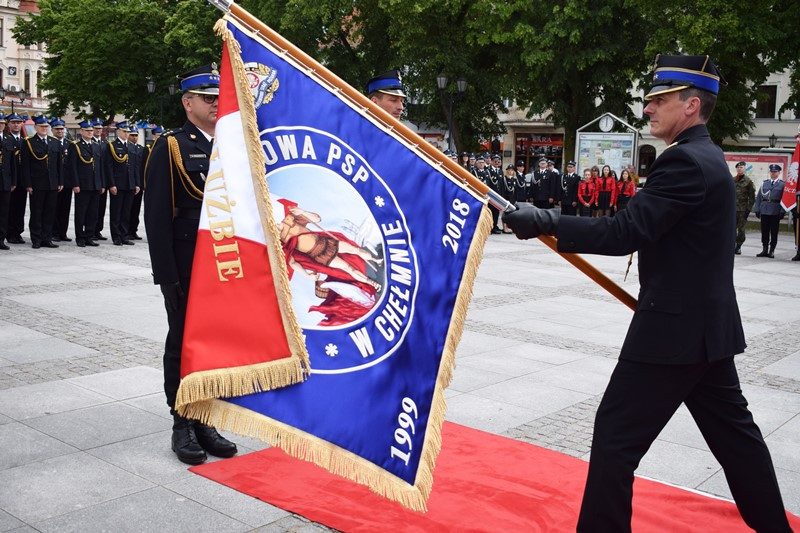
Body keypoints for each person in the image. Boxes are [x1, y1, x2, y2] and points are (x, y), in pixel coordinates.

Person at [503, 54, 792, 532]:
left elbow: (623, 233)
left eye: (659, 100)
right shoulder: (707, 156)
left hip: (672, 334)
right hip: (704, 328)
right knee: (738, 443)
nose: (647, 110)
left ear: (692, 105)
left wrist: (544, 221)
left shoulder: (683, 161)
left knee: (615, 440)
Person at [144, 63, 237, 465]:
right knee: (183, 342)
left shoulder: (234, 145)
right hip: (185, 263)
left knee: (217, 342)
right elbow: (157, 215)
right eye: (207, 98)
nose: (216, 104)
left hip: (226, 263)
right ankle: (182, 420)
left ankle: (206, 417)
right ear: (187, 103)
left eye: (219, 97)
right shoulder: (172, 146)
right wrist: (166, 276)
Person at [20, 116, 62, 249]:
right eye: (41, 126)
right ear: (35, 127)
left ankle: (47, 238)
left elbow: (58, 164)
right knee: (37, 212)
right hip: (37, 183)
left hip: (52, 183)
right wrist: (28, 184)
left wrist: (60, 181)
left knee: (50, 212)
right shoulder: (29, 142)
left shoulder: (54, 142)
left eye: (46, 127)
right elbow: (25, 165)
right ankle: (36, 238)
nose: (44, 129)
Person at [67, 120, 103, 247]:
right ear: (81, 131)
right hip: (82, 184)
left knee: (93, 213)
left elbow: (100, 166)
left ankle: (89, 235)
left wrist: (101, 184)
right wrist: (75, 184)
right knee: (81, 212)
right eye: (87, 130)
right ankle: (80, 237)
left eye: (91, 130)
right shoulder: (75, 145)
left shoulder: (96, 145)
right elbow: (72, 167)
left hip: (95, 184)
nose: (90, 132)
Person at [104, 122, 138, 246]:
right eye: (124, 131)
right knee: (116, 211)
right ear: (118, 131)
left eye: (128, 132)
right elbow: (109, 166)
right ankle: (116, 236)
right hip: (118, 183)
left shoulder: (131, 146)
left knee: (126, 211)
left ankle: (124, 235)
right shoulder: (112, 146)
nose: (126, 134)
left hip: (129, 184)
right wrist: (112, 184)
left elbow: (135, 167)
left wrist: (136, 183)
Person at [753, 164, 786, 259]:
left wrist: (782, 211)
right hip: (764, 210)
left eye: (775, 172)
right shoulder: (765, 183)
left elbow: (784, 199)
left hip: (775, 210)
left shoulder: (782, 184)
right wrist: (757, 209)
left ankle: (772, 250)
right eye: (772, 172)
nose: (773, 174)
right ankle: (764, 249)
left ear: (779, 173)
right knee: (764, 231)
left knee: (774, 232)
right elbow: (759, 197)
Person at [5, 114, 26, 244]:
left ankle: (18, 232)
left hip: (22, 179)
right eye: (13, 122)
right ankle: (10, 232)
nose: (16, 125)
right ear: (9, 124)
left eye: (18, 122)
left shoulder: (25, 141)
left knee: (21, 207)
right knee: (10, 207)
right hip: (10, 179)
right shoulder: (7, 140)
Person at [50, 119, 72, 242]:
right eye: (57, 129)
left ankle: (63, 232)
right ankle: (54, 232)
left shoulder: (70, 144)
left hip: (67, 182)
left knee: (65, 209)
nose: (60, 131)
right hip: (55, 181)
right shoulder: (51, 142)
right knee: (54, 208)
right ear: (52, 130)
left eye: (61, 129)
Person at [731, 161, 755, 255]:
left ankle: (739, 246)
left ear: (744, 168)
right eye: (738, 167)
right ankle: (731, 245)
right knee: (732, 228)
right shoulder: (732, 180)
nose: (739, 169)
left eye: (741, 167)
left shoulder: (748, 181)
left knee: (741, 229)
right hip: (732, 209)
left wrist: (748, 210)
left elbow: (752, 197)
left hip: (742, 210)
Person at [127, 126, 146, 240]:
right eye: (132, 135)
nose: (134, 137)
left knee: (136, 209)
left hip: (139, 183)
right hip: (130, 182)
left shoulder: (141, 149)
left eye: (136, 135)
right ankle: (127, 230)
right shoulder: (126, 148)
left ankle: (133, 230)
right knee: (128, 208)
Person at [92, 119, 109, 241]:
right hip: (92, 180)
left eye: (100, 128)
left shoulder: (105, 143)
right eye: (96, 128)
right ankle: (90, 230)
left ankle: (98, 230)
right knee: (92, 207)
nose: (98, 130)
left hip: (103, 180)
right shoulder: (89, 142)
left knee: (101, 207)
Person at [0, 113, 10, 250]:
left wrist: (13, 181)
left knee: (3, 212)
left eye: (2, 122)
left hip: (5, 181)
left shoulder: (8, 140)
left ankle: (1, 239)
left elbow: (12, 163)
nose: (0, 124)